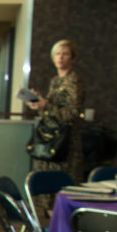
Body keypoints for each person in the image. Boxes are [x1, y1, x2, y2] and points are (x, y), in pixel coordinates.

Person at [27, 39, 84, 182]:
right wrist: (38, 102)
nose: (60, 57)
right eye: (57, 54)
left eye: (65, 54)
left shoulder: (74, 81)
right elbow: (52, 108)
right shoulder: (55, 80)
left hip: (63, 142)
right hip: (48, 137)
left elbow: (72, 113)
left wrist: (46, 105)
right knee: (42, 181)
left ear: (72, 58)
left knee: (58, 184)